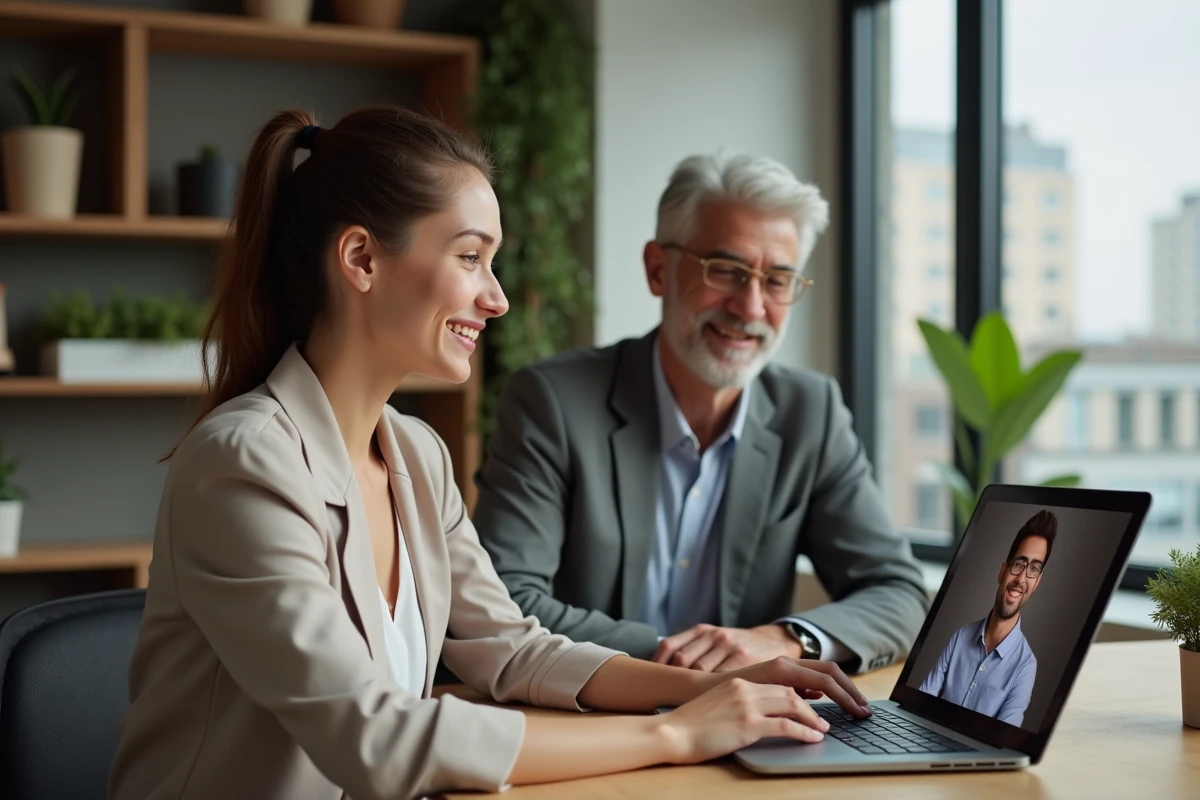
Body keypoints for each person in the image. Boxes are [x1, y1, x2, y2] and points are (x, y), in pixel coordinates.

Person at [106, 107, 873, 800]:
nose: (496, 297)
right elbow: (377, 740)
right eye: (471, 257)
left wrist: (715, 685)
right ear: (362, 259)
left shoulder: (415, 454)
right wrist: (675, 732)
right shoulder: (243, 463)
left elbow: (512, 650)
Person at [474, 150, 929, 677]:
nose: (751, 308)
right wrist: (686, 666)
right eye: (727, 271)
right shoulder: (553, 402)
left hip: (747, 720)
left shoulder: (811, 414)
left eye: (777, 280)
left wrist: (783, 640)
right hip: (590, 713)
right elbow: (503, 602)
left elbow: (899, 592)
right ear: (657, 269)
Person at [918, 509, 1057, 726]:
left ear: (1037, 582)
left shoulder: (1025, 667)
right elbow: (919, 704)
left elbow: (1002, 737)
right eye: (1018, 564)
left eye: (1033, 569)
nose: (1021, 579)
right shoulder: (960, 638)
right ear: (1003, 571)